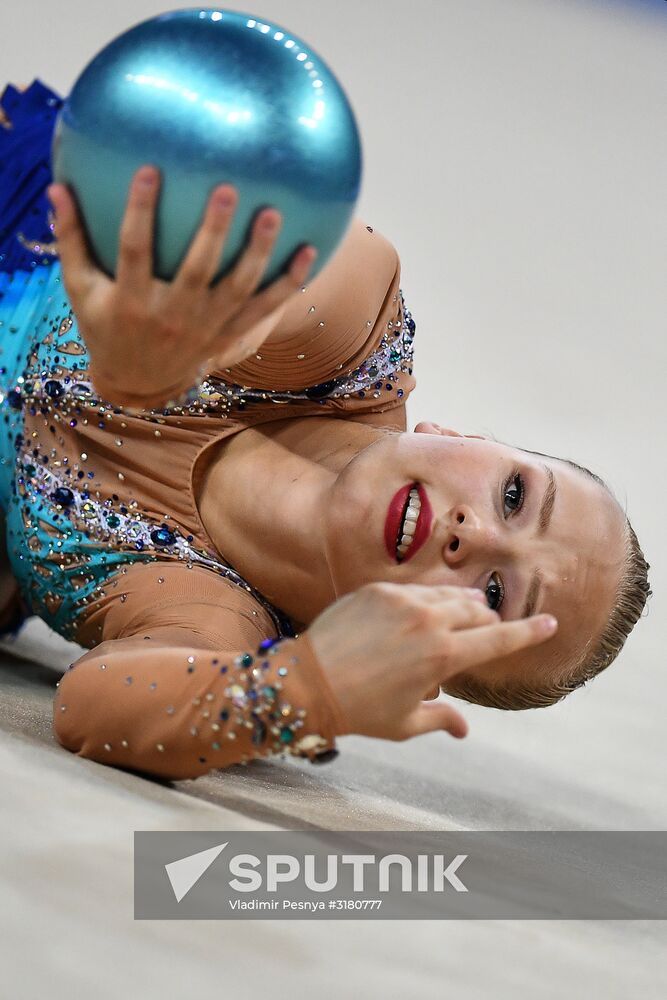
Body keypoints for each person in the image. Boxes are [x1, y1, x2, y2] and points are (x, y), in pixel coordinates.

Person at [0, 81, 650, 781]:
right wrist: (194, 334)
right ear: (463, 437)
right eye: (515, 496)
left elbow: (90, 709)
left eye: (494, 595)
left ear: (420, 659)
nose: (476, 535)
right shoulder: (351, 335)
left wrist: (306, 691)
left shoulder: (215, 625)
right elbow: (287, 283)